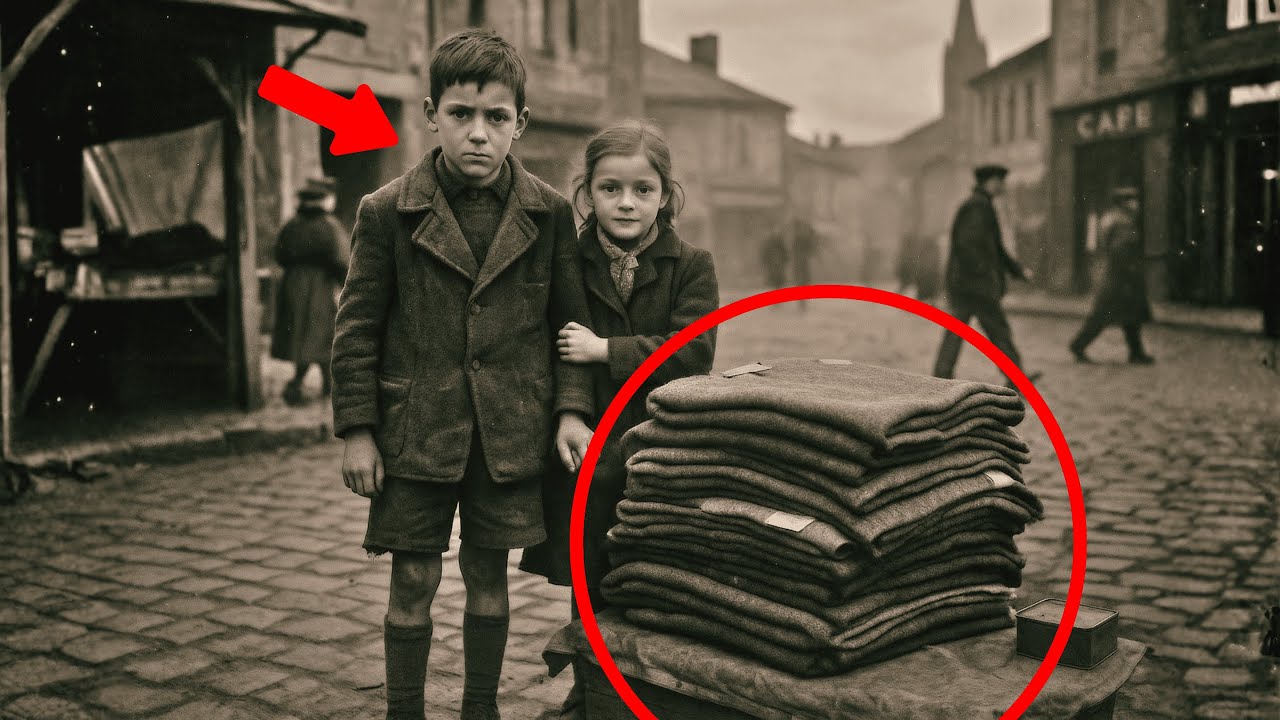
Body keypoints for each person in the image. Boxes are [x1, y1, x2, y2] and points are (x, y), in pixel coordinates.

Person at [330, 29, 596, 720]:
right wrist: (358, 431)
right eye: (461, 115)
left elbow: (569, 327)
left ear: (521, 124)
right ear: (429, 113)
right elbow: (356, 327)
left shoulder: (551, 214)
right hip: (416, 429)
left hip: (509, 431)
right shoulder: (386, 211)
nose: (478, 134)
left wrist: (570, 411)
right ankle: (404, 710)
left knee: (488, 573)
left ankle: (481, 707)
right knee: (412, 576)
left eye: (497, 118)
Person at [519, 121, 719, 719]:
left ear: (665, 195)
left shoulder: (690, 264)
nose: (626, 203)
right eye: (610, 189)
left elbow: (694, 352)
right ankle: (590, 691)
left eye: (642, 190)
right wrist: (570, 415)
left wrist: (608, 349)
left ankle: (645, 694)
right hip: (586, 439)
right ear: (587, 192)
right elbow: (554, 343)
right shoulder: (570, 261)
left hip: (662, 441)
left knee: (651, 574)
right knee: (586, 573)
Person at [932, 164, 1040, 387]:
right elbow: (968, 245)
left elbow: (995, 248)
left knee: (962, 330)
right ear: (989, 182)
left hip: (967, 283)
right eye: (999, 181)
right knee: (997, 329)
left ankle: (941, 375)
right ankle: (1016, 376)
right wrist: (984, 273)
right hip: (975, 285)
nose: (1002, 186)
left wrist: (1016, 271)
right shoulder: (977, 207)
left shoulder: (981, 205)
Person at [270, 177, 348, 405]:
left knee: (301, 335)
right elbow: (340, 259)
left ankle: (301, 382)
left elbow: (280, 255)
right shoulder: (328, 226)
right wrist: (345, 283)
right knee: (323, 334)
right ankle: (324, 384)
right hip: (319, 286)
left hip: (293, 284)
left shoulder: (291, 226)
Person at [1069, 186, 1156, 364]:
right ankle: (1078, 345)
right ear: (1123, 203)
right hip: (1121, 278)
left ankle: (1136, 352)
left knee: (1131, 316)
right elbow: (1119, 251)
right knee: (1102, 317)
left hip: (1119, 277)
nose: (1136, 204)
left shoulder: (1115, 219)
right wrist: (1130, 271)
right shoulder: (1122, 223)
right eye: (1132, 201)